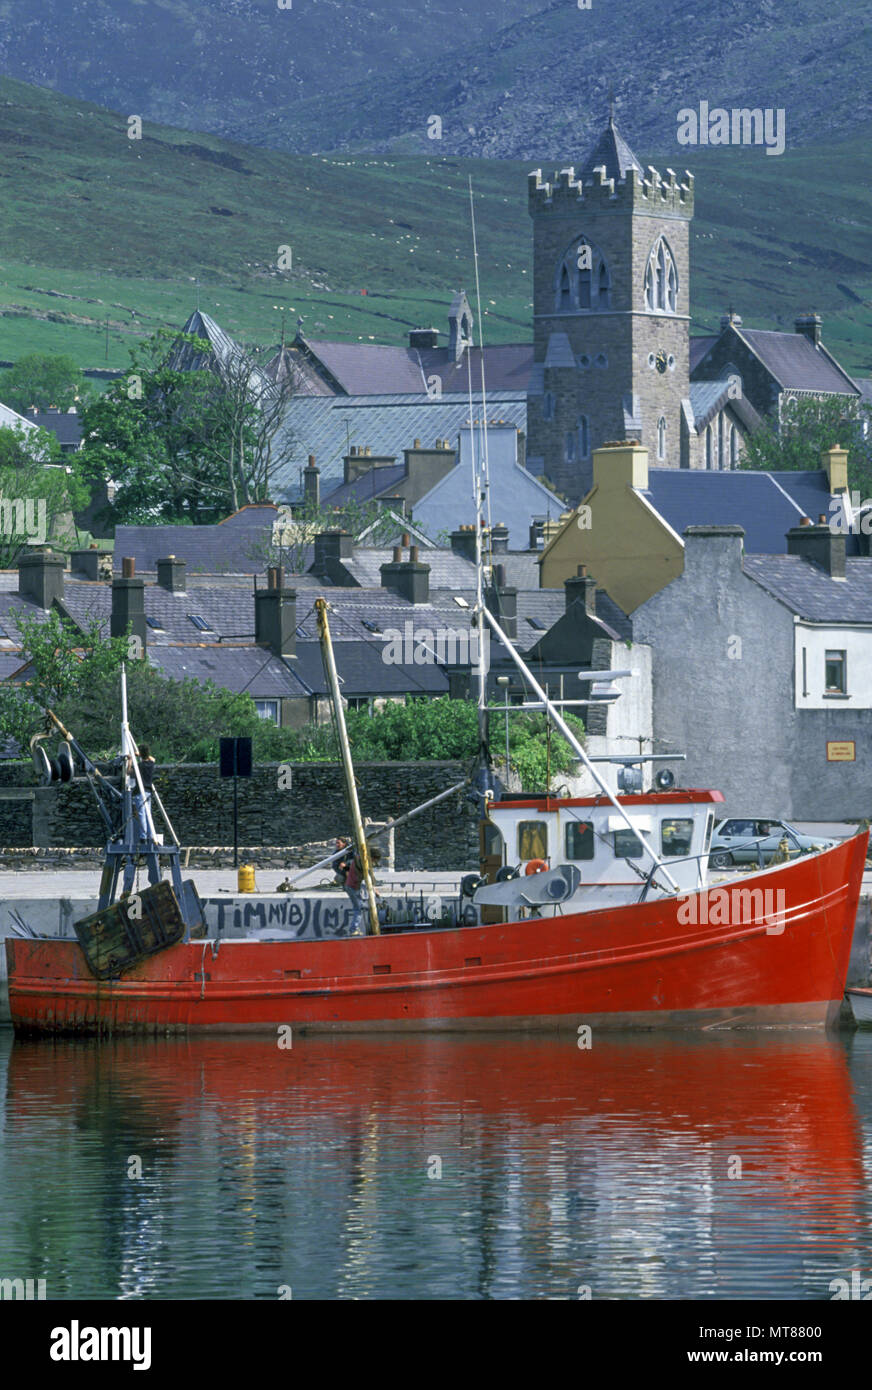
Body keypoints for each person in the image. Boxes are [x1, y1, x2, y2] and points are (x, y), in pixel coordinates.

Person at [121, 744, 160, 896]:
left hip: (139, 793)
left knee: (142, 815)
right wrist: (138, 754)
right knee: (148, 814)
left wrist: (130, 759)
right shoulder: (150, 763)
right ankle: (150, 836)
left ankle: (144, 837)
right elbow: (151, 757)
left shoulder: (139, 767)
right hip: (149, 791)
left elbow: (129, 772)